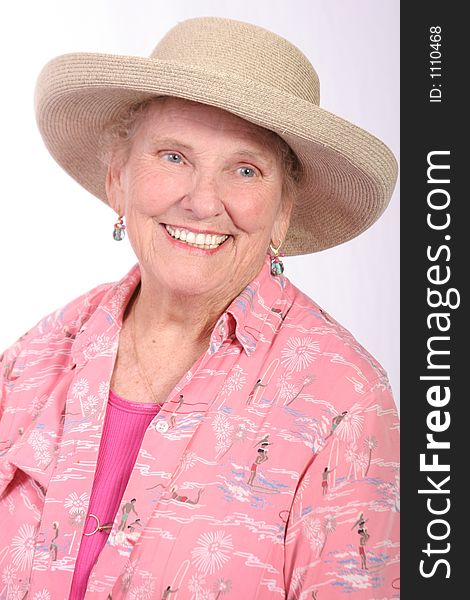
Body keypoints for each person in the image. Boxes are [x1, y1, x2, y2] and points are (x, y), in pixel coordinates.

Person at [0, 16, 399, 599]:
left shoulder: (345, 403)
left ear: (283, 214)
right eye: (173, 156)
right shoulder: (35, 359)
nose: (202, 200)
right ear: (119, 180)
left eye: (244, 169)